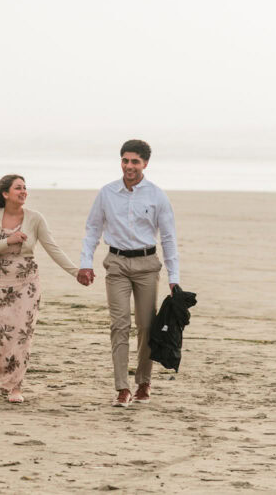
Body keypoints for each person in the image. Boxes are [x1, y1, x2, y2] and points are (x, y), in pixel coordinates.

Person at [77, 140, 180, 408]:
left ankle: (143, 382)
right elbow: (92, 230)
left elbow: (168, 238)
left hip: (147, 265)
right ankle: (122, 387)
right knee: (119, 325)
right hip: (117, 264)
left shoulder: (157, 196)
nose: (129, 166)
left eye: (135, 161)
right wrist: (85, 263)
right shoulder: (107, 193)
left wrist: (174, 278)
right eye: (125, 160)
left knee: (146, 327)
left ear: (145, 163)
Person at [0, 174, 86, 403]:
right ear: (5, 194)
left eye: (25, 188)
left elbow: (52, 247)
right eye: (18, 188)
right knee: (2, 335)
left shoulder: (35, 218)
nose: (24, 191)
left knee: (21, 334)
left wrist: (76, 272)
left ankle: (15, 386)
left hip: (27, 282)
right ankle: (5, 381)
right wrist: (9, 241)